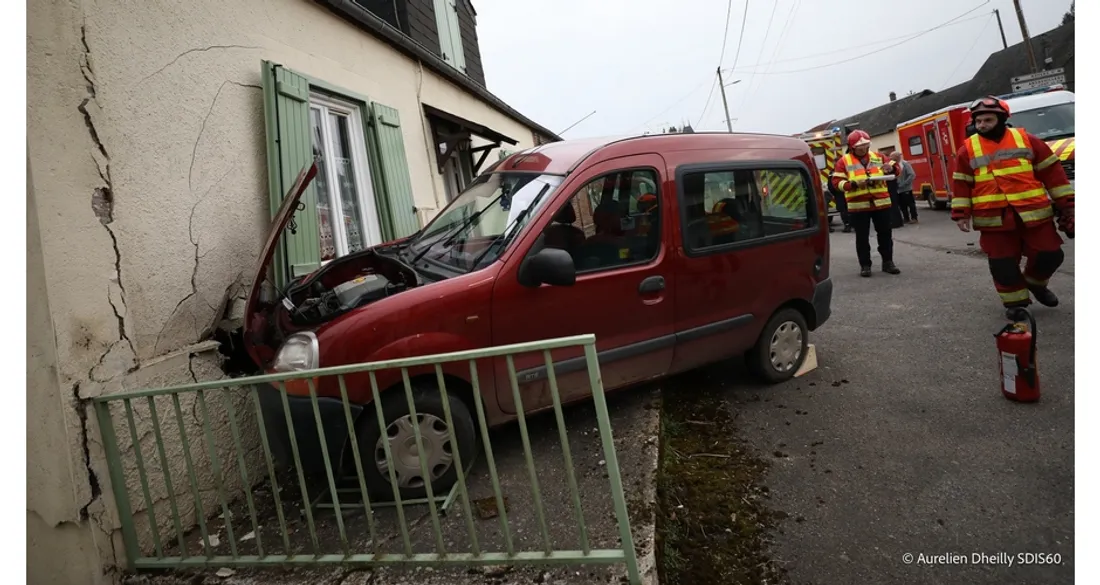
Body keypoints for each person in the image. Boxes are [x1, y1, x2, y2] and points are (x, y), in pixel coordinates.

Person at [950, 96, 1074, 319]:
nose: (982, 125)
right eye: (978, 121)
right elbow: (961, 182)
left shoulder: (1027, 140)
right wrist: (961, 214)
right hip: (993, 218)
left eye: (988, 120)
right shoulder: (967, 149)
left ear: (1002, 118)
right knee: (1003, 264)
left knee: (1051, 254)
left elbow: (1053, 174)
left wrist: (1068, 206)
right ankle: (1015, 304)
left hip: (1034, 213)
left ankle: (1035, 283)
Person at [831, 130, 901, 277]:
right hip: (858, 206)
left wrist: (892, 168)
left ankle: (888, 262)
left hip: (881, 203)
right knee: (862, 238)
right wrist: (854, 184)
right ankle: (865, 265)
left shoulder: (879, 156)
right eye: (860, 146)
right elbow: (837, 183)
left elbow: (895, 167)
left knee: (885, 235)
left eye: (866, 145)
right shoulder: (843, 161)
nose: (864, 148)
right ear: (852, 147)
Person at [891, 151, 918, 224]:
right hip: (898, 189)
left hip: (906, 189)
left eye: (892, 156)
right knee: (902, 205)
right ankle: (906, 218)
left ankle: (914, 217)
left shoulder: (905, 164)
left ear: (897, 156)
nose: (890, 158)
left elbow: (912, 175)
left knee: (910, 204)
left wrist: (904, 183)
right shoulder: (892, 164)